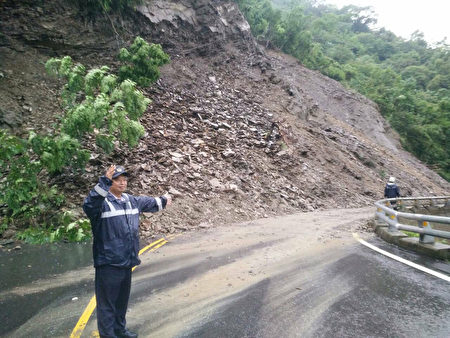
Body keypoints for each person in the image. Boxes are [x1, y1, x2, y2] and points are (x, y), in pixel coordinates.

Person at [83, 165, 172, 338]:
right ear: (110, 182)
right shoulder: (102, 204)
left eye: (125, 179)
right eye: (118, 180)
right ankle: (108, 335)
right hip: (109, 263)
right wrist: (103, 182)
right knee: (107, 304)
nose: (123, 183)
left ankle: (120, 330)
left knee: (121, 302)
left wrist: (164, 199)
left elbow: (150, 203)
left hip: (127, 261)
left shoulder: (130, 200)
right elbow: (89, 205)